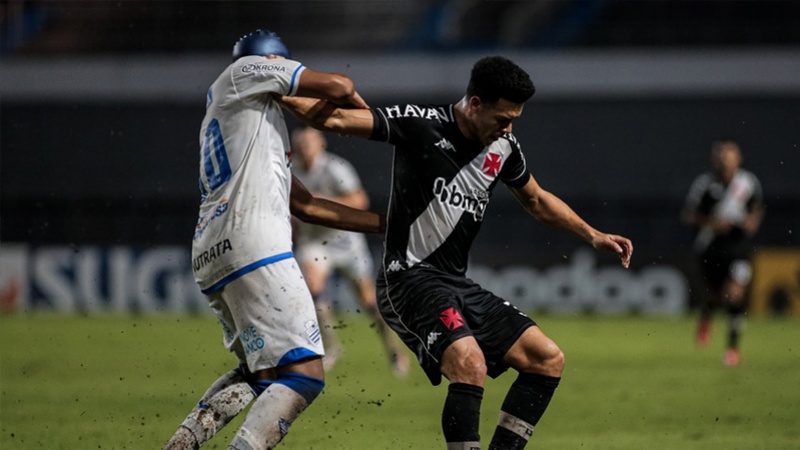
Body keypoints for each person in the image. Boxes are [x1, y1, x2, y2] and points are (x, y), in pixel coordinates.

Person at [280, 56, 633, 449]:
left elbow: (536, 200)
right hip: (408, 279)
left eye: (514, 119)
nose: (509, 128)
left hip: (454, 282)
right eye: (503, 118)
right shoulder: (420, 122)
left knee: (546, 358)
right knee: (470, 364)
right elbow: (334, 120)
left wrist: (592, 234)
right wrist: (276, 87)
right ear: (476, 103)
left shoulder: (504, 148)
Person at [162, 29, 384, 450]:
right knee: (305, 375)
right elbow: (341, 86)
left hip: (212, 250)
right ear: (273, 64)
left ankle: (179, 446)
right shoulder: (243, 72)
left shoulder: (246, 121)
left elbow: (307, 205)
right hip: (254, 243)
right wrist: (365, 119)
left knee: (261, 374)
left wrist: (384, 224)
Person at [290, 126, 410, 375]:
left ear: (320, 144)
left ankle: (393, 349)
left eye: (309, 143)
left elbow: (360, 201)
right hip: (313, 241)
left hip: (344, 241)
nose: (305, 148)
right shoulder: (291, 172)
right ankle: (331, 347)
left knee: (368, 302)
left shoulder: (334, 167)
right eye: (301, 144)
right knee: (312, 289)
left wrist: (320, 202)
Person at [681, 138, 764, 367]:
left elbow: (757, 209)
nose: (725, 160)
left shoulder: (747, 183)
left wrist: (751, 223)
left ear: (738, 158)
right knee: (714, 296)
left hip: (738, 248)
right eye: (721, 156)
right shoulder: (704, 185)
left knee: (735, 293)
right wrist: (712, 223)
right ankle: (706, 318)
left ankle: (732, 348)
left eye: (729, 155)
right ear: (714, 159)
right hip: (711, 247)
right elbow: (688, 215)